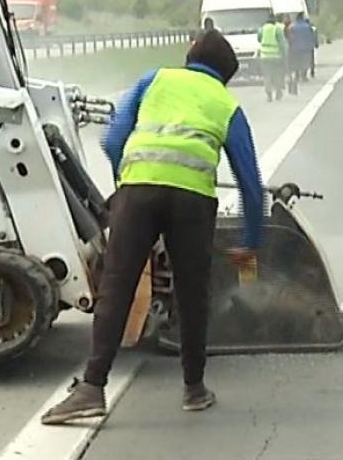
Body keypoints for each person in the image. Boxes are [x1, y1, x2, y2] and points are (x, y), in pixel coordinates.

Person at [41, 29, 266, 423]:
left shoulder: (154, 79)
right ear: (225, 74)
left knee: (117, 286)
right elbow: (250, 185)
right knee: (193, 292)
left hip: (138, 192)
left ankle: (92, 388)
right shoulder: (228, 105)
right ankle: (194, 389)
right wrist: (248, 251)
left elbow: (111, 140)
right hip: (193, 201)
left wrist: (123, 183)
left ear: (190, 56)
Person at [258, 17, 288, 101]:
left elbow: (259, 39)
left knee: (267, 76)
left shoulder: (261, 29)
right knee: (277, 75)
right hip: (276, 57)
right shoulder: (277, 30)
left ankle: (269, 95)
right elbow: (282, 44)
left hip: (264, 57)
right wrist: (285, 55)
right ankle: (278, 93)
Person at [289, 14, 318, 83]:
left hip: (295, 47)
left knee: (296, 62)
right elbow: (313, 36)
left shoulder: (292, 27)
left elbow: (290, 37)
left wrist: (290, 45)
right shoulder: (308, 26)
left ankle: (297, 75)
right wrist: (315, 43)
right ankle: (304, 76)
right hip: (306, 47)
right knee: (305, 62)